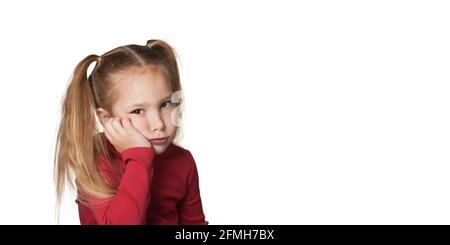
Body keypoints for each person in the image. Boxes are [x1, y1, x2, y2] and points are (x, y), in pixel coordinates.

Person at [54, 39, 207, 225]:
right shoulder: (96, 158)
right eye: (138, 111)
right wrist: (139, 157)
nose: (158, 123)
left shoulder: (182, 161)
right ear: (106, 118)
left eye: (165, 104)